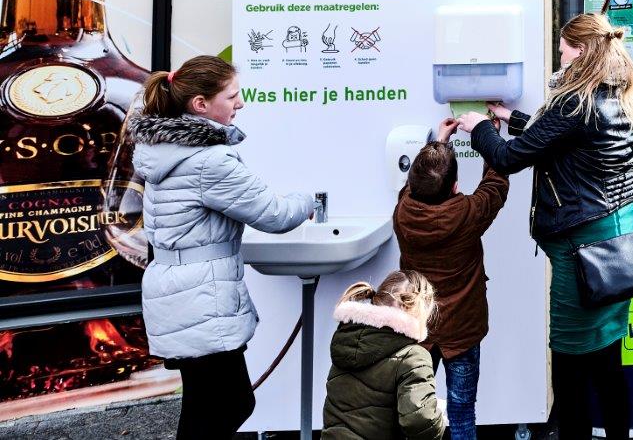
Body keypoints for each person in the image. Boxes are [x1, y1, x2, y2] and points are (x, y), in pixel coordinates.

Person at [456, 12, 633, 440]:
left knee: (571, 368)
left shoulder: (575, 103)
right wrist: (513, 117)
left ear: (581, 53)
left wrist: (479, 127)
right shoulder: (613, 93)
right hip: (618, 242)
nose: (559, 60)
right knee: (609, 360)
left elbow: (509, 158)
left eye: (563, 52)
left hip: (583, 250)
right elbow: (563, 140)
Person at [130, 55, 316, 439]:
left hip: (179, 290)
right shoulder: (208, 160)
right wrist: (309, 200)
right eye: (232, 96)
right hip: (201, 296)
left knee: (204, 406)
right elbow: (275, 215)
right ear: (201, 105)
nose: (241, 102)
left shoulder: (164, 148)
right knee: (230, 404)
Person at [393, 118, 510, 440]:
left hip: (418, 329)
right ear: (456, 186)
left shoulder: (403, 211)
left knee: (417, 413)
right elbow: (496, 183)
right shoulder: (468, 213)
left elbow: (413, 185)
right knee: (461, 411)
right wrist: (490, 136)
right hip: (463, 332)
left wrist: (439, 142)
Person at [321, 270, 446, 440]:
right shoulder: (413, 356)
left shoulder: (346, 338)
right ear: (414, 308)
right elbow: (420, 421)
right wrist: (438, 417)